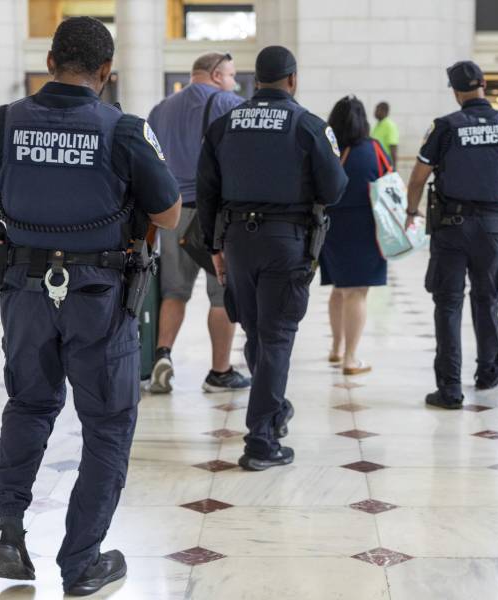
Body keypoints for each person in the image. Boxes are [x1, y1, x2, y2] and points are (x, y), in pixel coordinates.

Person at [0, 17, 181, 595]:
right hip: (100, 297)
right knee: (107, 425)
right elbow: (168, 214)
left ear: (49, 62)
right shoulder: (125, 129)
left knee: (30, 404)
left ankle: (8, 531)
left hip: (25, 291)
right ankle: (82, 560)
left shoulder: (4, 121)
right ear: (106, 72)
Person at [197, 45, 348, 470]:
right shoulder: (308, 125)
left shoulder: (225, 124)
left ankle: (274, 410)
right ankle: (261, 441)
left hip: (236, 242)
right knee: (277, 337)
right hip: (287, 240)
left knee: (258, 333)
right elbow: (334, 190)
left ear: (255, 80)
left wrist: (214, 248)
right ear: (293, 80)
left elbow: (206, 190)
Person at [405, 60, 498, 410]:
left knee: (447, 304)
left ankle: (449, 389)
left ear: (456, 91)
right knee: (487, 299)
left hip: (450, 227)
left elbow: (417, 178)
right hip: (492, 227)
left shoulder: (445, 126)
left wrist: (411, 213)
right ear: (484, 84)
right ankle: (489, 370)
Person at [147, 52, 251, 394]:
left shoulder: (161, 109)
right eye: (232, 75)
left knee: (173, 292)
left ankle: (162, 355)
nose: (234, 82)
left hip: (171, 213)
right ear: (217, 74)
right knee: (221, 294)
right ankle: (220, 372)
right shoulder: (228, 103)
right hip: (212, 215)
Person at [321, 95, 389, 375]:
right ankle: (350, 358)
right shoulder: (373, 148)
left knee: (339, 289)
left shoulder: (327, 148)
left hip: (332, 226)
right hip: (365, 227)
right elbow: (389, 181)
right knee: (357, 292)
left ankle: (336, 348)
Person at [372, 102, 399, 168]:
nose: (375, 112)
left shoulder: (390, 126)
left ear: (384, 111)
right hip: (377, 163)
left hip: (385, 164)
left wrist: (394, 168)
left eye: (377, 109)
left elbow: (393, 147)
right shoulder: (377, 125)